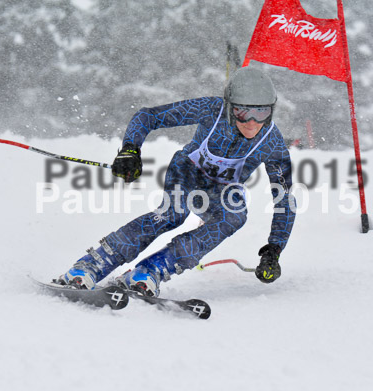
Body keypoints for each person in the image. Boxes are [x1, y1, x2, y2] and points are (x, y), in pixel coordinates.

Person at [55, 67, 295, 296]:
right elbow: (148, 117)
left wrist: (274, 250)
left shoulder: (272, 142)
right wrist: (130, 150)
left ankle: (152, 270)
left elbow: (284, 198)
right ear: (230, 107)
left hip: (223, 188)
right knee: (173, 214)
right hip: (188, 171)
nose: (252, 122)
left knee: (234, 216)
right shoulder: (212, 109)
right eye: (243, 112)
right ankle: (92, 264)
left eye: (261, 112)